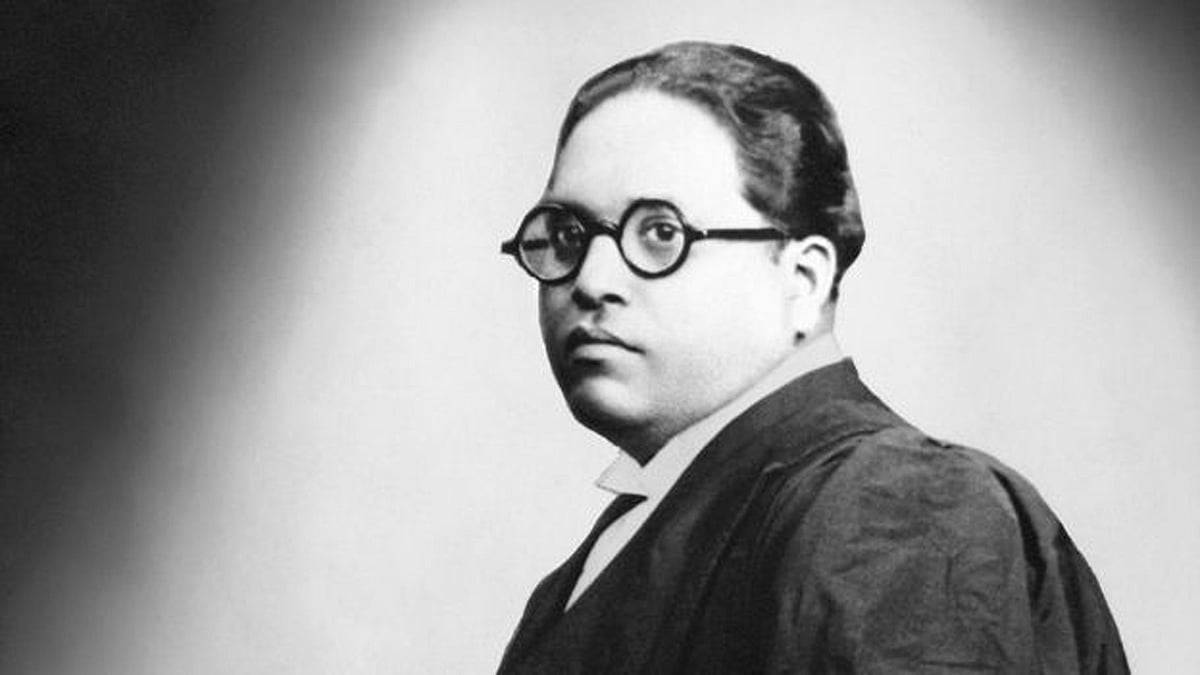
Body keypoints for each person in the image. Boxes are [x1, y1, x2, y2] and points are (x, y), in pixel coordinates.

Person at [497, 41, 1127, 674]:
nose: (591, 281)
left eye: (661, 232)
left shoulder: (892, 500)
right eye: (567, 236)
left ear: (802, 280)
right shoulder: (611, 551)